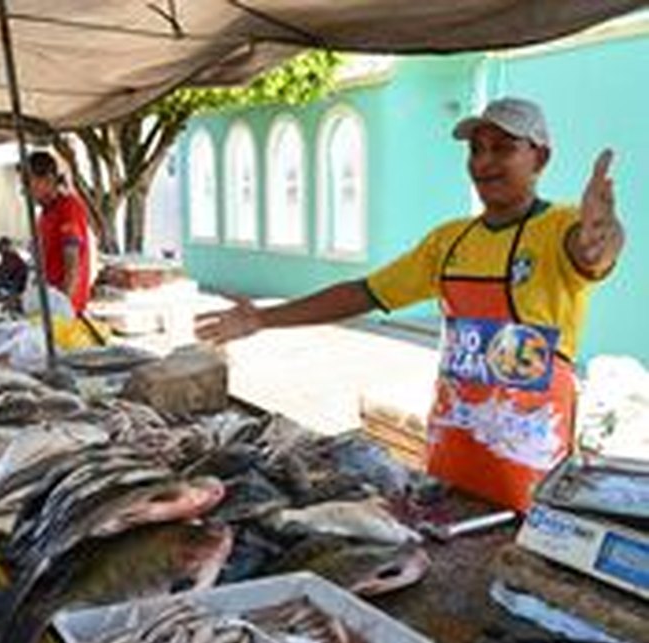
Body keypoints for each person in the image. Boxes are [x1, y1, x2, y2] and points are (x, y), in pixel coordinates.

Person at [196, 98, 625, 512]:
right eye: (476, 150)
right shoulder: (449, 240)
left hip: (532, 450)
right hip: (453, 444)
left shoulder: (561, 227)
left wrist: (601, 238)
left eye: (503, 148)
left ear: (541, 158)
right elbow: (365, 292)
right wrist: (262, 318)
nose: (484, 162)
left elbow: (592, 253)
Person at [26, 150, 92, 314]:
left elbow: (72, 266)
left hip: (66, 309)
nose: (26, 190)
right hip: (49, 301)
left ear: (48, 179)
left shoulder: (68, 208)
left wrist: (60, 306)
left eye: (29, 183)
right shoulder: (45, 215)